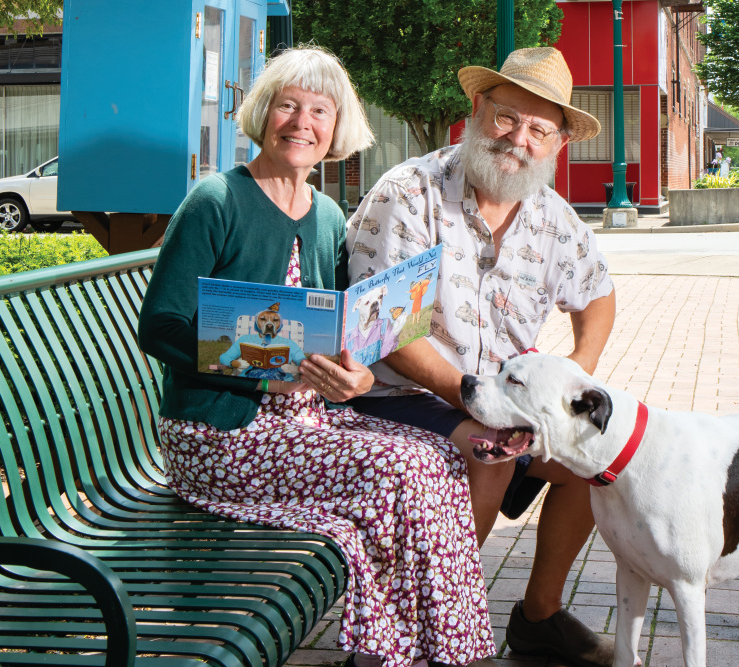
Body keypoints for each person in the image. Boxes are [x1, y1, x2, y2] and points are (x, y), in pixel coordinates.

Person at [137, 45, 495, 667]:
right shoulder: (216, 201)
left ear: (336, 128)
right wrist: (265, 379)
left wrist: (355, 372)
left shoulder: (329, 214)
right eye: (288, 105)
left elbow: (336, 330)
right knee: (400, 474)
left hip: (308, 425)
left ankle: (423, 652)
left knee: (436, 456)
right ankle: (399, 654)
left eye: (319, 111)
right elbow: (161, 327)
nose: (302, 122)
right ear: (262, 114)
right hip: (218, 432)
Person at [346, 47, 617, 667]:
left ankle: (539, 618)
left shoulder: (553, 217)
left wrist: (576, 374)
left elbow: (598, 294)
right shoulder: (409, 193)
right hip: (397, 398)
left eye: (539, 129)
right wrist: (477, 400)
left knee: (598, 457)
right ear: (476, 108)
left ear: (556, 144)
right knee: (489, 451)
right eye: (506, 118)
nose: (518, 139)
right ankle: (432, 630)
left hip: (504, 400)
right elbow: (384, 332)